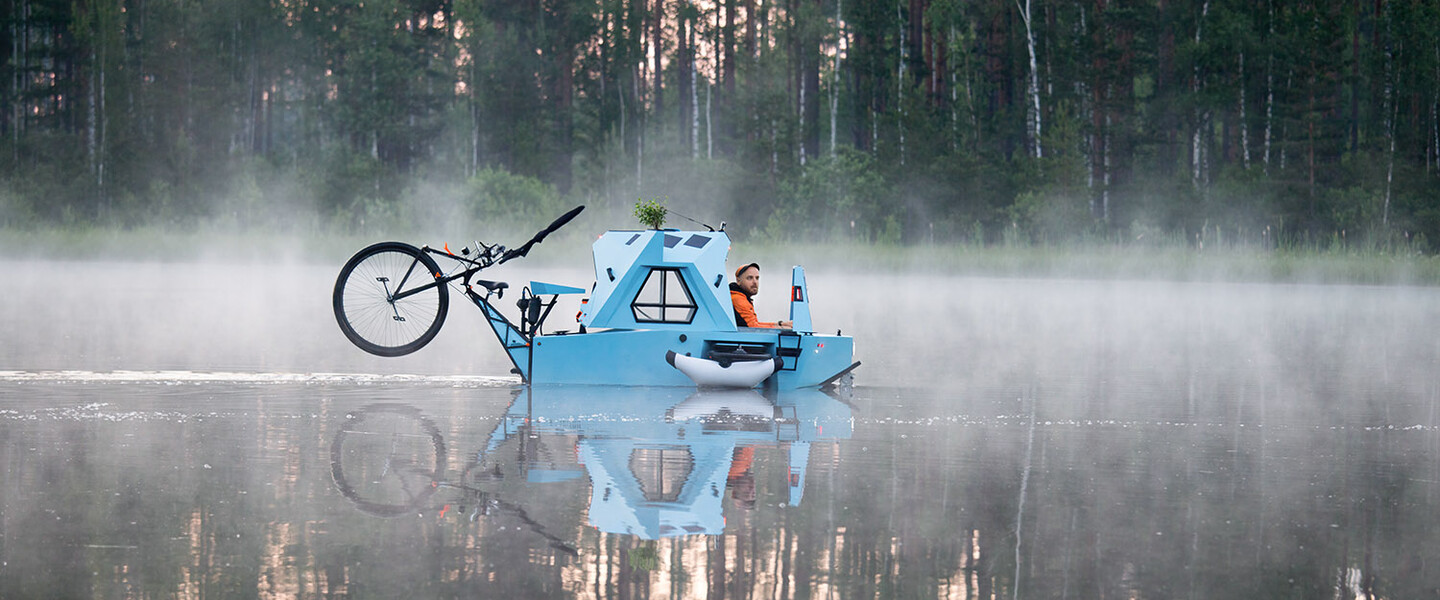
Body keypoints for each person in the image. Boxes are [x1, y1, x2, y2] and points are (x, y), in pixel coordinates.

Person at [729, 262, 792, 329]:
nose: (755, 282)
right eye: (750, 278)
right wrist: (782, 328)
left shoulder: (741, 296)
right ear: (738, 281)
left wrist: (780, 324)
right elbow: (753, 328)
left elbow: (755, 323)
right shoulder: (738, 299)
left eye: (757, 278)